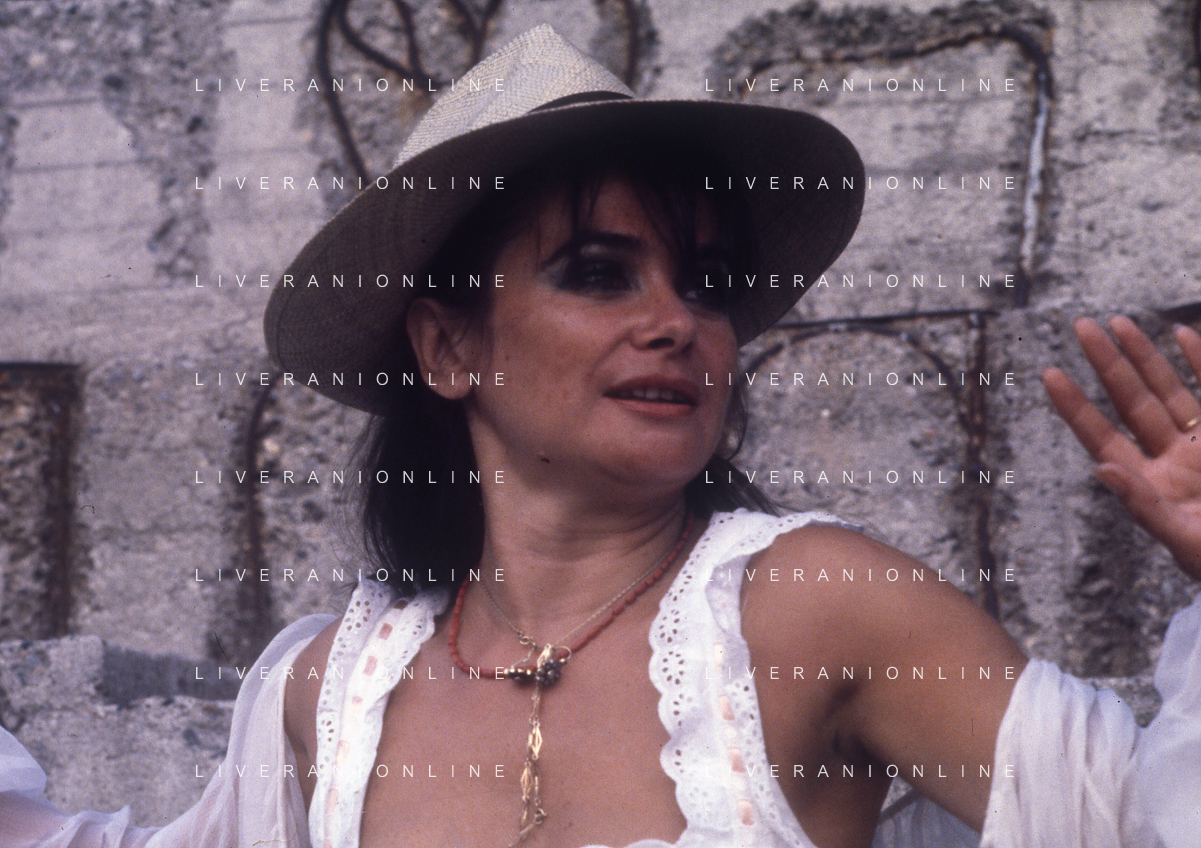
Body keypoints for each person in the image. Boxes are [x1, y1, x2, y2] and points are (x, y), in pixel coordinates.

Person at [1, 24, 1198, 848]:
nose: (677, 322)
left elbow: (1139, 823)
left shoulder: (817, 607)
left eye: (706, 283)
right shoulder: (331, 688)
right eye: (596, 271)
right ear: (447, 346)